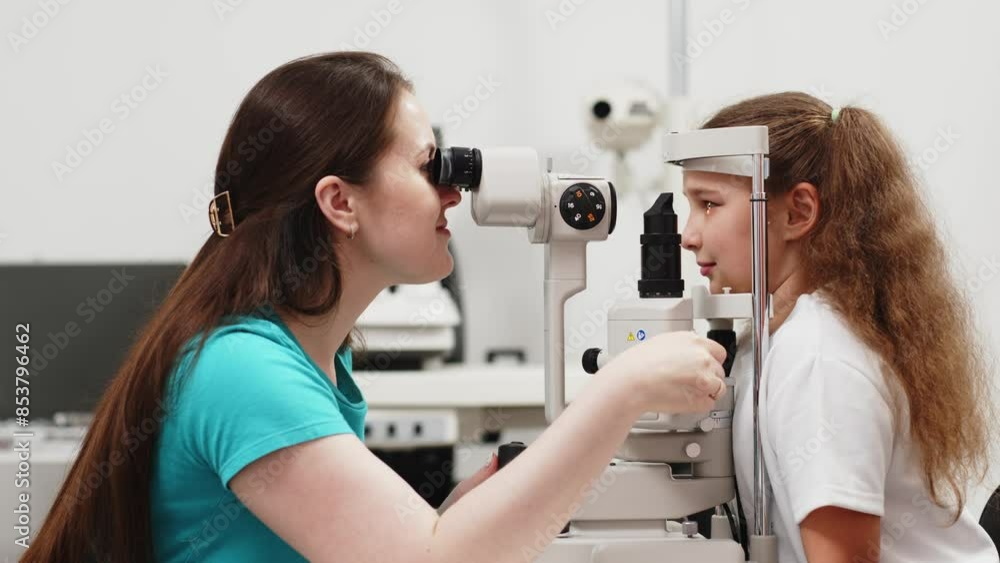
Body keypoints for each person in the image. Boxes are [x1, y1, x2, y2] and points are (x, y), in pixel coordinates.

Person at [20, 51, 727, 563]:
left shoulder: (316, 356)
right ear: (339, 202)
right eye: (429, 166)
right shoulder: (243, 369)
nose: (454, 191)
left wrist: (456, 518)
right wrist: (622, 391)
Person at [680, 92, 999, 562]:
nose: (687, 235)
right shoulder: (772, 340)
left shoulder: (818, 357)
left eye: (709, 204)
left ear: (797, 212)